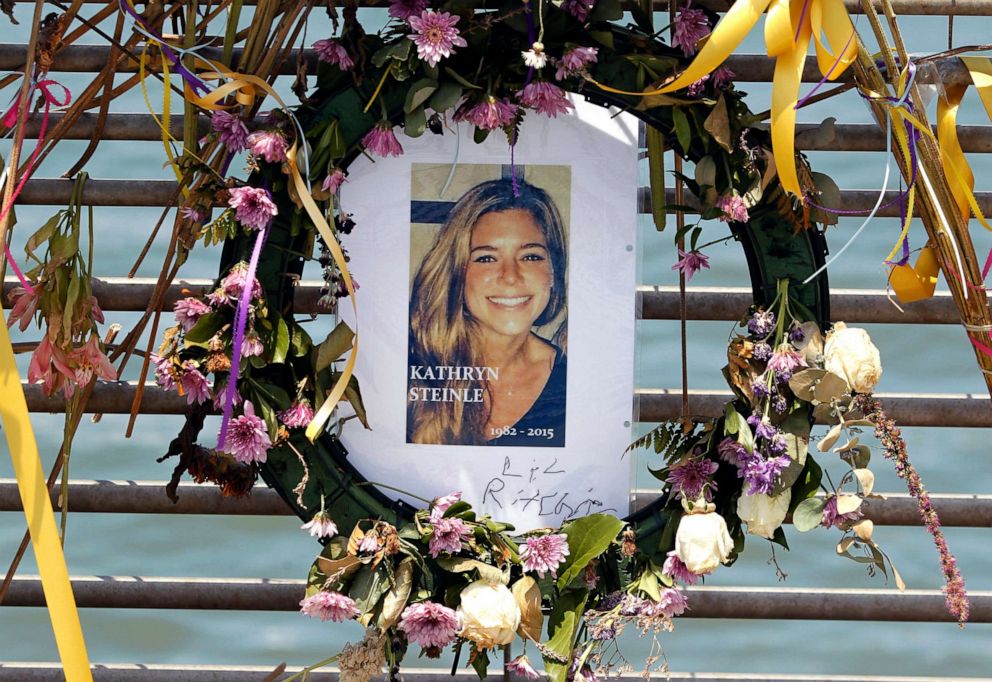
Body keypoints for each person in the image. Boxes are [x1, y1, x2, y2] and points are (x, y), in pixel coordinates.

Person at [407, 178, 568, 446]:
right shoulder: (410, 365)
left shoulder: (573, 381)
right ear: (456, 273)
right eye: (486, 258)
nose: (510, 277)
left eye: (530, 256)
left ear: (553, 272)